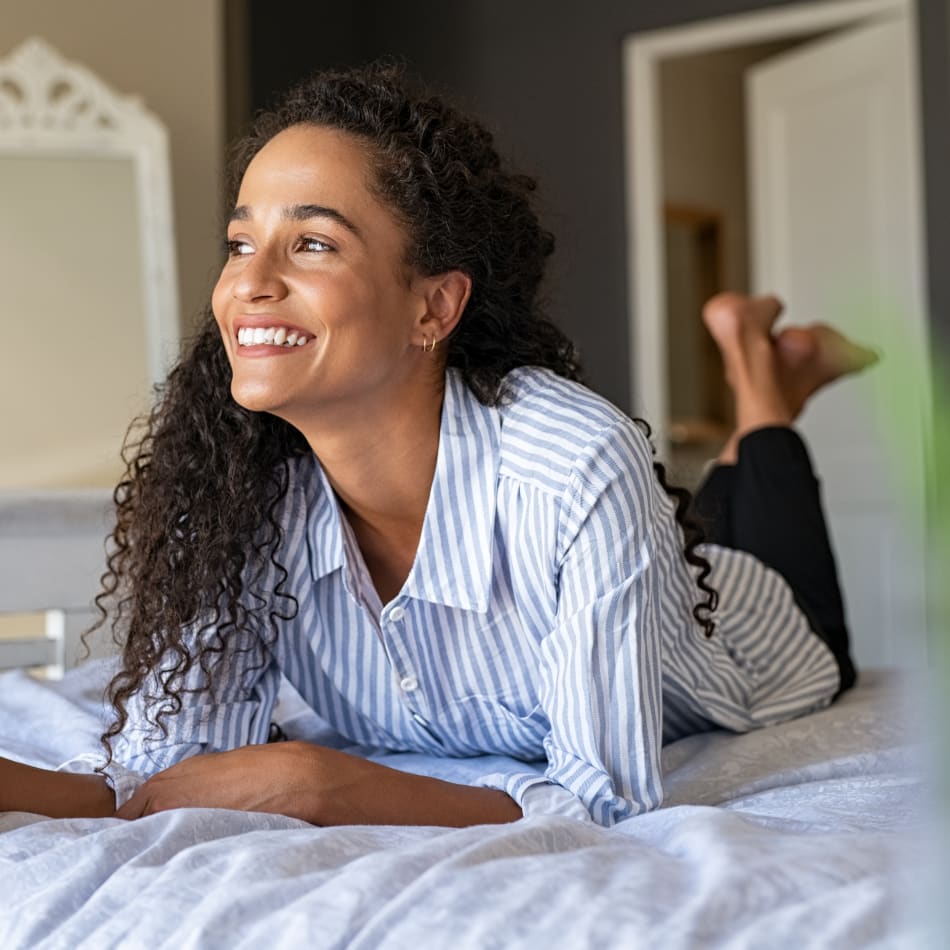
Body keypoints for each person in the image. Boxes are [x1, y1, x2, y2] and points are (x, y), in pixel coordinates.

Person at [0, 63, 877, 827]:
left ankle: (765, 384)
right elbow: (162, 769)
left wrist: (329, 784)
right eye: (240, 242)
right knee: (712, 514)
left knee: (772, 560)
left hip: (749, 631)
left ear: (434, 308)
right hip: (662, 549)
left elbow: (604, 798)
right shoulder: (237, 490)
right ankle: (767, 369)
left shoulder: (571, 462)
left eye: (310, 243)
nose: (249, 283)